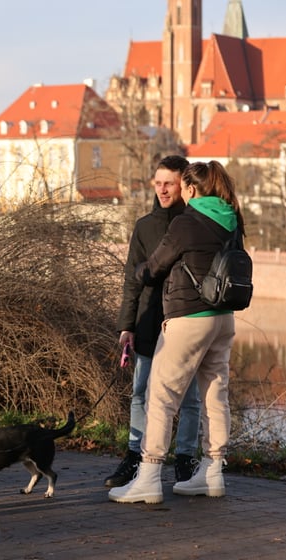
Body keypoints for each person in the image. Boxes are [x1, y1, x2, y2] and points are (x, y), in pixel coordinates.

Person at [108, 160, 244, 504]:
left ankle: (149, 477)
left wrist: (140, 273)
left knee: (161, 396)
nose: (178, 192)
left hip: (189, 318)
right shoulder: (232, 218)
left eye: (183, 186)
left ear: (193, 190)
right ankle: (212, 474)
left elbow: (156, 266)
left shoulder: (187, 222)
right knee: (216, 396)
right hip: (223, 317)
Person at [104, 155, 201, 489]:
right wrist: (125, 325)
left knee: (188, 398)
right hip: (147, 320)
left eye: (169, 183)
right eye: (158, 183)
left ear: (183, 185)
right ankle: (134, 456)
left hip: (183, 319)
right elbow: (132, 279)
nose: (162, 189)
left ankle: (186, 462)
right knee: (140, 393)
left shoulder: (194, 222)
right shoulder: (144, 226)